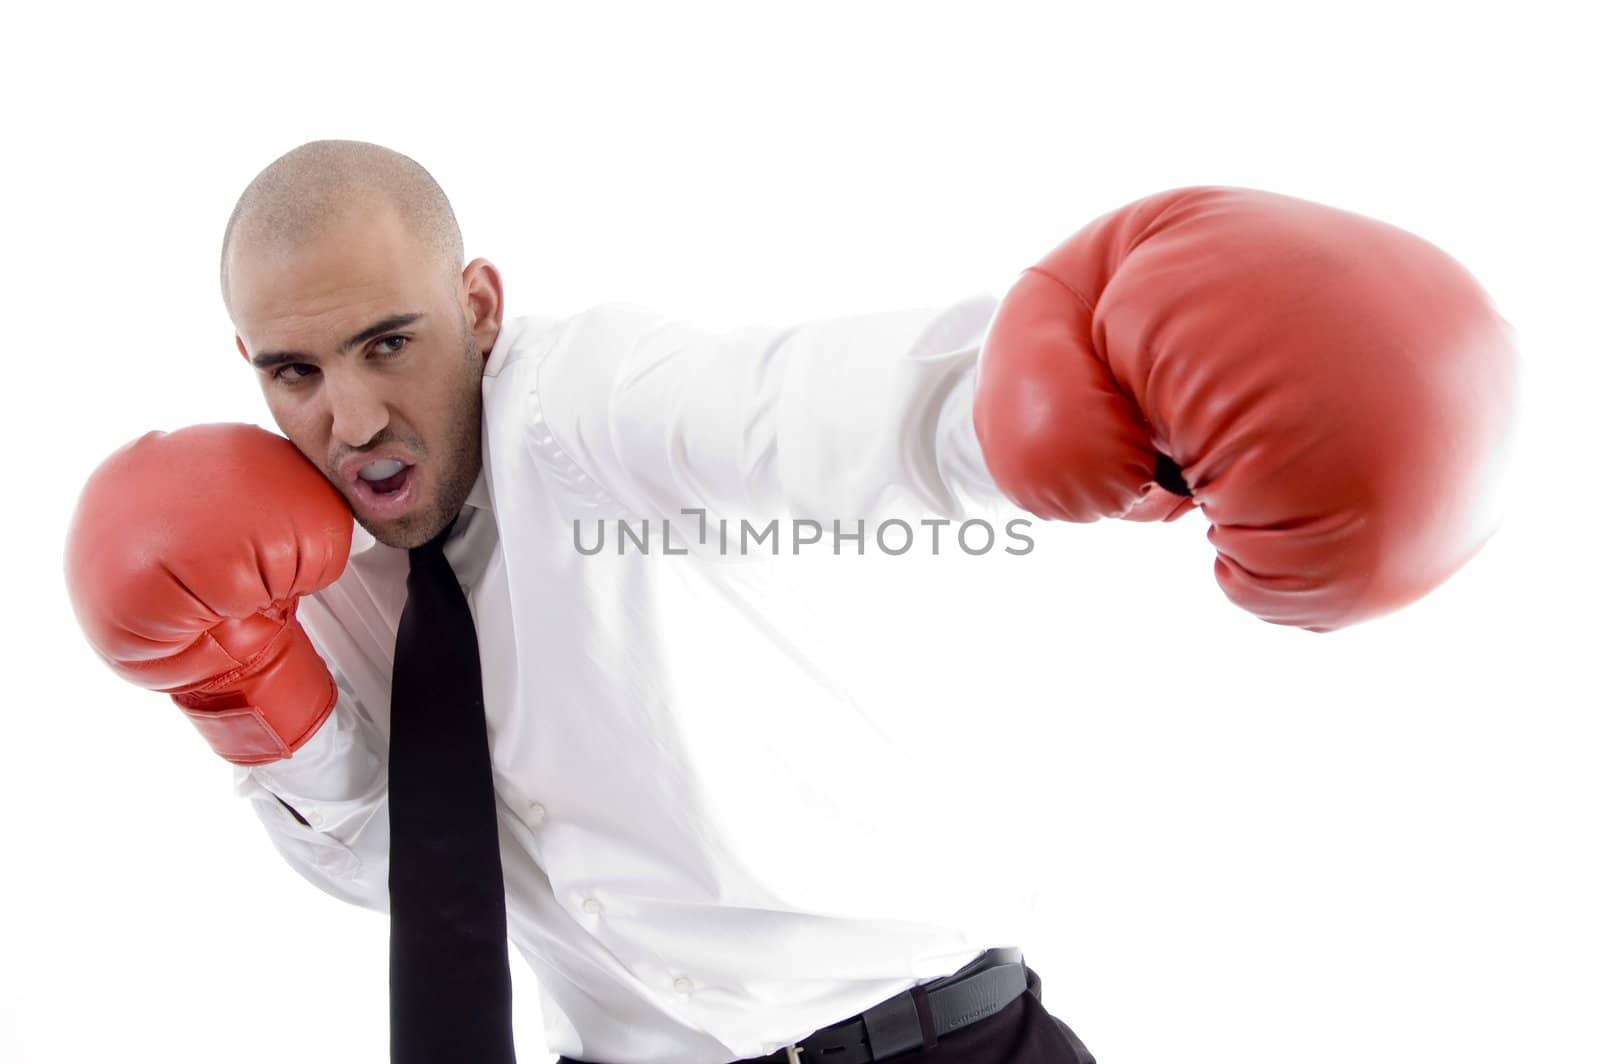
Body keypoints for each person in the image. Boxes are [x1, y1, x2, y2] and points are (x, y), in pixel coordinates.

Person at [63, 140, 1515, 1064]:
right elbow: (396, 879)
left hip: (922, 1049)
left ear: (482, 307)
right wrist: (250, 707)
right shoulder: (290, 564)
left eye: (391, 343)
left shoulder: (592, 404)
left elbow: (799, 410)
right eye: (294, 373)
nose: (354, 416)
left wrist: (1082, 384)